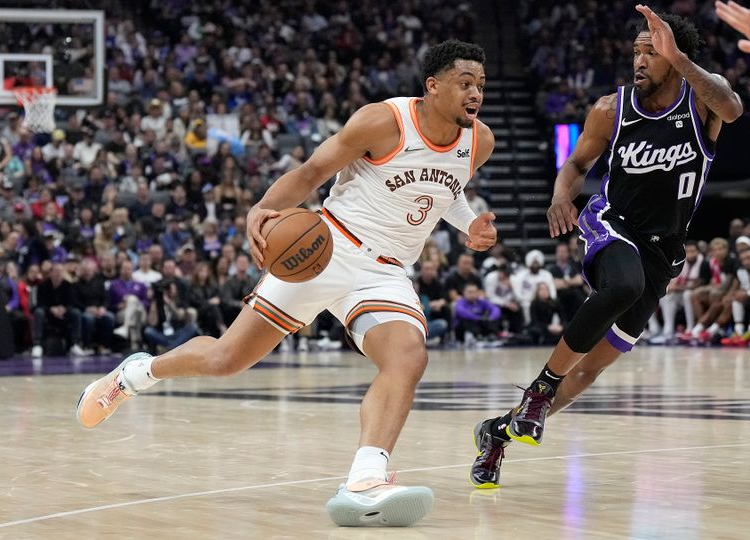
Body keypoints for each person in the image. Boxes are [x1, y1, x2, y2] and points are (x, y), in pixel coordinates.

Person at [77, 40, 497, 527]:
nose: (476, 94)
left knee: (408, 357)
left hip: (385, 271)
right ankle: (137, 375)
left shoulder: (479, 142)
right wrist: (262, 207)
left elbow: (444, 189)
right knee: (225, 360)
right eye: (465, 83)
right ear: (433, 86)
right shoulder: (383, 122)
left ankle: (365, 479)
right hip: (325, 250)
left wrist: (469, 226)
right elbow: (313, 171)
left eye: (481, 86)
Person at [469, 7, 742, 490]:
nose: (639, 60)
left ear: (675, 56)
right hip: (612, 224)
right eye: (635, 50)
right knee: (622, 285)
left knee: (590, 371)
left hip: (665, 250)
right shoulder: (610, 108)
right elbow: (575, 164)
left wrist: (678, 60)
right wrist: (559, 195)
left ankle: (498, 434)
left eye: (650, 51)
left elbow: (734, 107)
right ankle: (540, 389)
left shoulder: (702, 100)